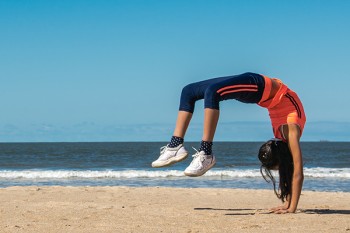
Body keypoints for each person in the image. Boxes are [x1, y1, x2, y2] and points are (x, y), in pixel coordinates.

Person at [151, 72, 306, 214]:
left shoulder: (282, 141)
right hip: (259, 86)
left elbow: (288, 170)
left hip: (258, 93)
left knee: (192, 91)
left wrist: (287, 203)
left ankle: (177, 145)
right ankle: (200, 151)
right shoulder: (291, 131)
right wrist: (292, 208)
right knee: (202, 91)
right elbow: (298, 173)